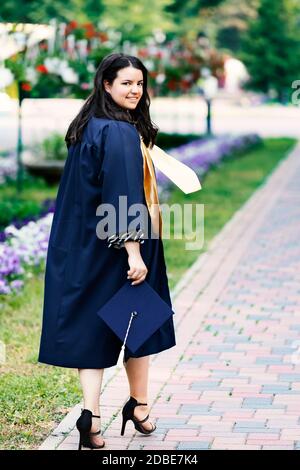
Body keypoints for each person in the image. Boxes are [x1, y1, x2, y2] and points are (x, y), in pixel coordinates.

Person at [38, 53, 176, 450]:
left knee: (93, 329)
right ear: (106, 85)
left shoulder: (88, 126)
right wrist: (134, 253)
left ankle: (92, 416)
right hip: (120, 246)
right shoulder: (117, 132)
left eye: (139, 83)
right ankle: (140, 405)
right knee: (140, 321)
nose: (134, 90)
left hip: (84, 244)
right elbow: (122, 195)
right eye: (126, 83)